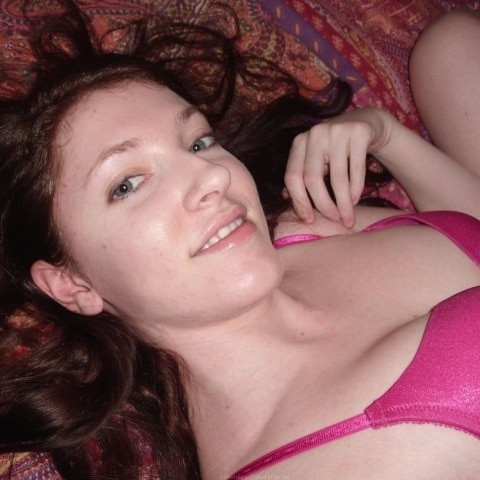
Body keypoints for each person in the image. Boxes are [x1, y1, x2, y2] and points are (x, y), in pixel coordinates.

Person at [1, 3, 480, 480]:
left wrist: (385, 135)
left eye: (198, 142)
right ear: (73, 286)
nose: (212, 176)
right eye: (127, 185)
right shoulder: (320, 466)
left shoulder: (290, 229)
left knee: (448, 43)